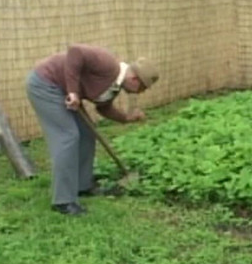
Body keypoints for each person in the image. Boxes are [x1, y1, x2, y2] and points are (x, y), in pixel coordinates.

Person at [25, 44, 159, 215]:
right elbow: (75, 52)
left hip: (63, 90)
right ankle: (63, 201)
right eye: (142, 89)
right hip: (46, 84)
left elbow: (103, 107)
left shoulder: (114, 86)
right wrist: (74, 92)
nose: (140, 93)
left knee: (87, 134)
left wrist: (126, 118)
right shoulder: (108, 63)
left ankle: (83, 185)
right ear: (134, 80)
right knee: (68, 136)